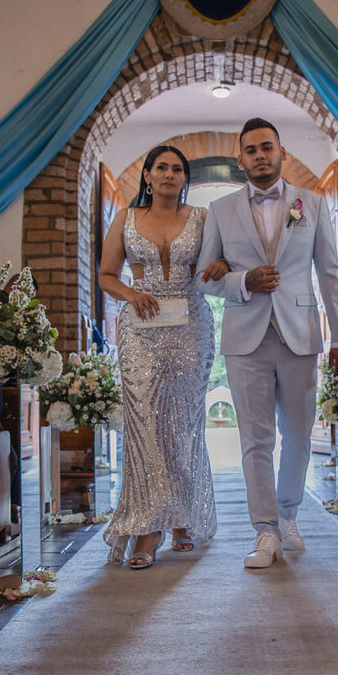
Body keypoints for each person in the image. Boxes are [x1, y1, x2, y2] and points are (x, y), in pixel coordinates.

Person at [196, 118, 338, 569]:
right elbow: (205, 279)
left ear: (281, 153)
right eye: (251, 150)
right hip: (245, 336)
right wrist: (244, 280)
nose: (260, 156)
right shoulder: (221, 211)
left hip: (301, 332)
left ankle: (288, 514)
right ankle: (264, 531)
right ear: (240, 159)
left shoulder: (314, 205)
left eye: (267, 147)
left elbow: (329, 274)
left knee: (300, 436)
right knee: (255, 439)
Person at [97, 145, 225, 569]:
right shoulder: (126, 219)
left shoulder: (202, 219)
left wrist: (220, 265)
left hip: (191, 326)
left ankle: (183, 519)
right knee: (146, 426)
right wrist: (132, 293)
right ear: (148, 176)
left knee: (184, 424)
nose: (169, 174)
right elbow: (105, 276)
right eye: (161, 168)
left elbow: (221, 260)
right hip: (140, 327)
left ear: (184, 178)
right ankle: (148, 527)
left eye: (177, 169)